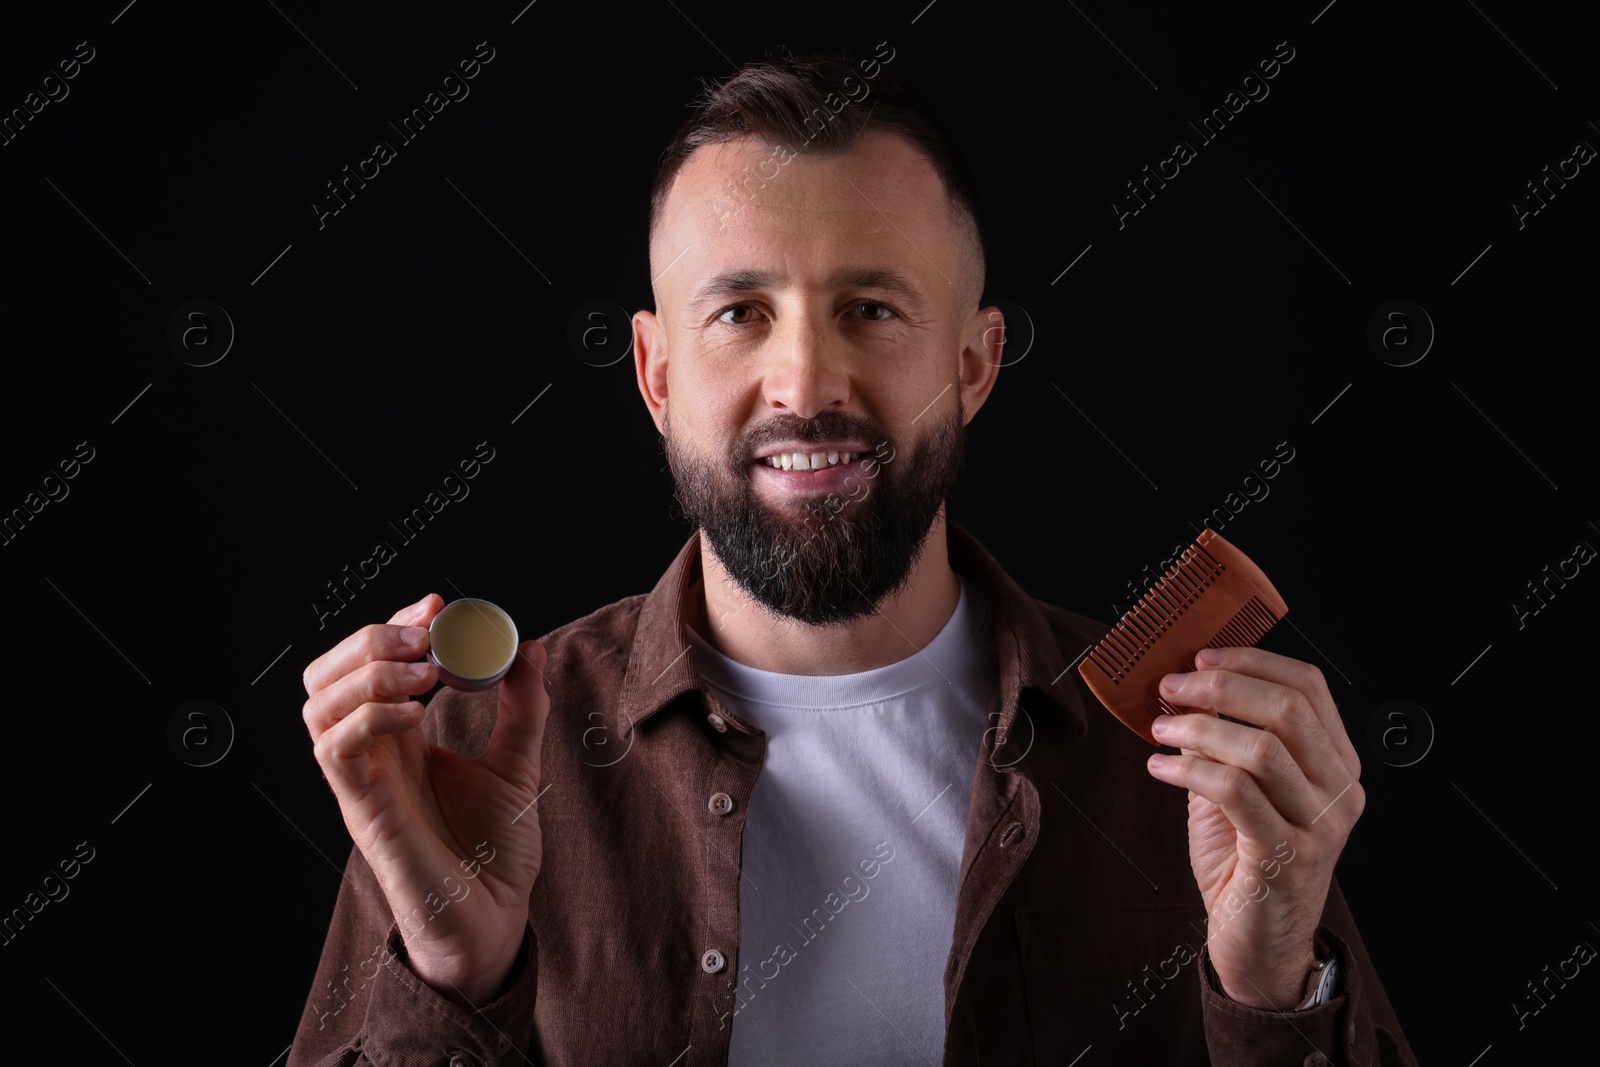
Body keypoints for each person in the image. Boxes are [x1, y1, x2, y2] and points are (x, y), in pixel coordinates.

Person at [289, 54, 1417, 1066]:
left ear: (974, 366)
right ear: (656, 375)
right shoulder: (474, 760)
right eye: (738, 312)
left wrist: (1277, 985)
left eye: (871, 308)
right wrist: (451, 974)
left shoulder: (1184, 772)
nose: (806, 384)